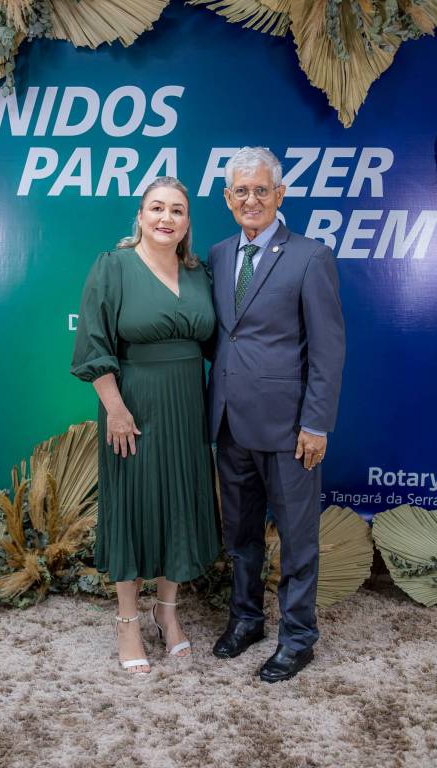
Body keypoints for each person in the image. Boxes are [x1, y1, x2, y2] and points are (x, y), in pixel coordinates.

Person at [71, 177, 220, 674]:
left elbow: (216, 344)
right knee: (133, 507)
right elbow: (93, 344)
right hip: (132, 405)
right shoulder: (113, 267)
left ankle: (167, 612)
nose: (166, 218)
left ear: (187, 222)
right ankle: (128, 620)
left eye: (177, 210)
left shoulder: (198, 274)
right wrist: (115, 408)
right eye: (157, 208)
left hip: (187, 405)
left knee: (179, 503)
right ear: (140, 215)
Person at [207, 147, 345, 683]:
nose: (251, 200)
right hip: (229, 423)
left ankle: (298, 637)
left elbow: (328, 349)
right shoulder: (219, 254)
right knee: (240, 535)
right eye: (241, 191)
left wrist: (316, 424)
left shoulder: (310, 256)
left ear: (279, 194)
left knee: (297, 538)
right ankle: (246, 620)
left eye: (261, 190)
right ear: (228, 198)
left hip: (289, 430)